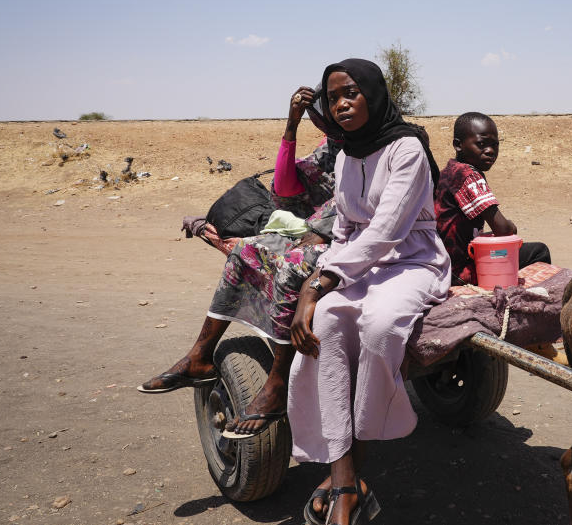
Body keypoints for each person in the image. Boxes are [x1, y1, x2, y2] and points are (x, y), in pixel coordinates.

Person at [287, 59, 450, 525]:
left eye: (351, 93)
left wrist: (317, 284)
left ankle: (361, 453)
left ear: (375, 94)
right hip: (354, 264)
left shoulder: (407, 148)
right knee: (329, 323)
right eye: (333, 96)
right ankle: (344, 480)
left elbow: (385, 232)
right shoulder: (344, 155)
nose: (341, 104)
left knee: (379, 326)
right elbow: (343, 231)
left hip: (411, 261)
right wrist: (322, 287)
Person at [138, 88, 340, 439]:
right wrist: (292, 124)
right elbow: (284, 185)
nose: (336, 112)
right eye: (328, 109)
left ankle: (278, 382)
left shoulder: (379, 148)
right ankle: (199, 355)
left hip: (352, 240)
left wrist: (322, 231)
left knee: (291, 266)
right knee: (245, 251)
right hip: (319, 227)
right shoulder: (333, 146)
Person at [434, 111, 551, 285]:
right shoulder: (468, 175)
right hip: (463, 270)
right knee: (538, 251)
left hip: (444, 264)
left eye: (495, 145)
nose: (490, 151)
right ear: (458, 145)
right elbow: (504, 229)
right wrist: (511, 225)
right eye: (481, 144)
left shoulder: (449, 171)